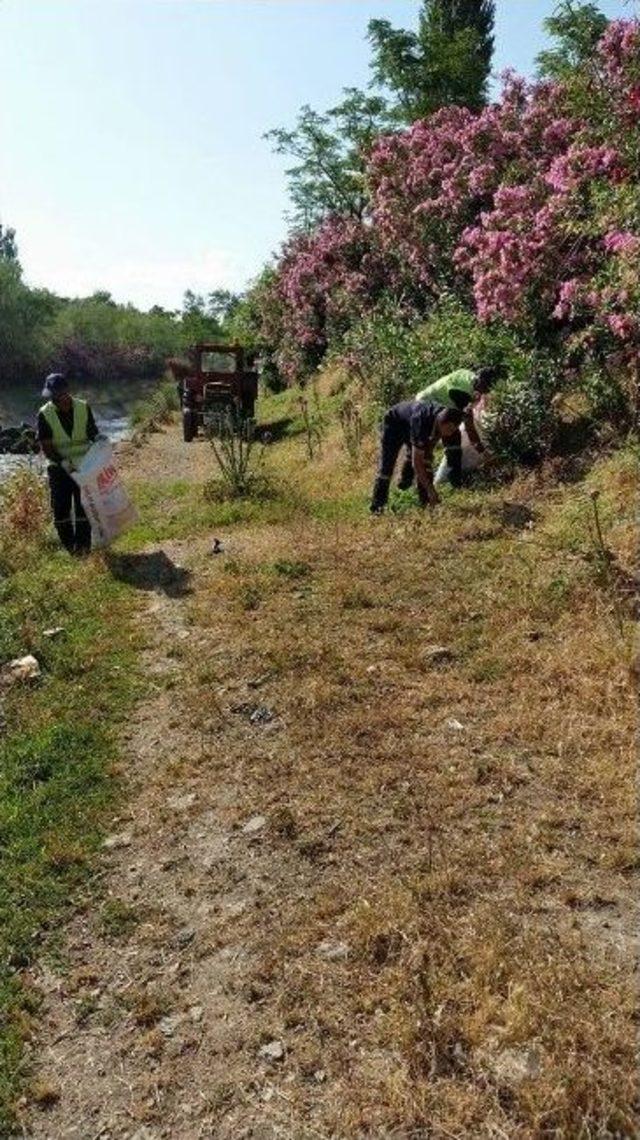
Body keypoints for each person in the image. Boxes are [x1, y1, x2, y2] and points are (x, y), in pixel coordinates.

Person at [37, 373, 100, 554]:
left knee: (84, 509)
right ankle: (72, 549)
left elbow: (91, 432)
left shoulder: (83, 407)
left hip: (83, 467)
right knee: (61, 512)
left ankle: (84, 549)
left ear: (67, 393)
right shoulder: (44, 414)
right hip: (59, 470)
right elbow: (46, 447)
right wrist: (63, 463)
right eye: (55, 397)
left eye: (62, 395)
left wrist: (99, 440)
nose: (60, 399)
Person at [370, 400, 465, 514]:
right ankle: (377, 507)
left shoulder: (450, 421)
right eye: (449, 429)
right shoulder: (421, 422)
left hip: (412, 423)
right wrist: (430, 489)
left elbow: (431, 452)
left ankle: (423, 502)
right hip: (394, 423)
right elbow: (417, 463)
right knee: (387, 466)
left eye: (453, 429)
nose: (450, 433)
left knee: (425, 460)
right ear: (441, 423)